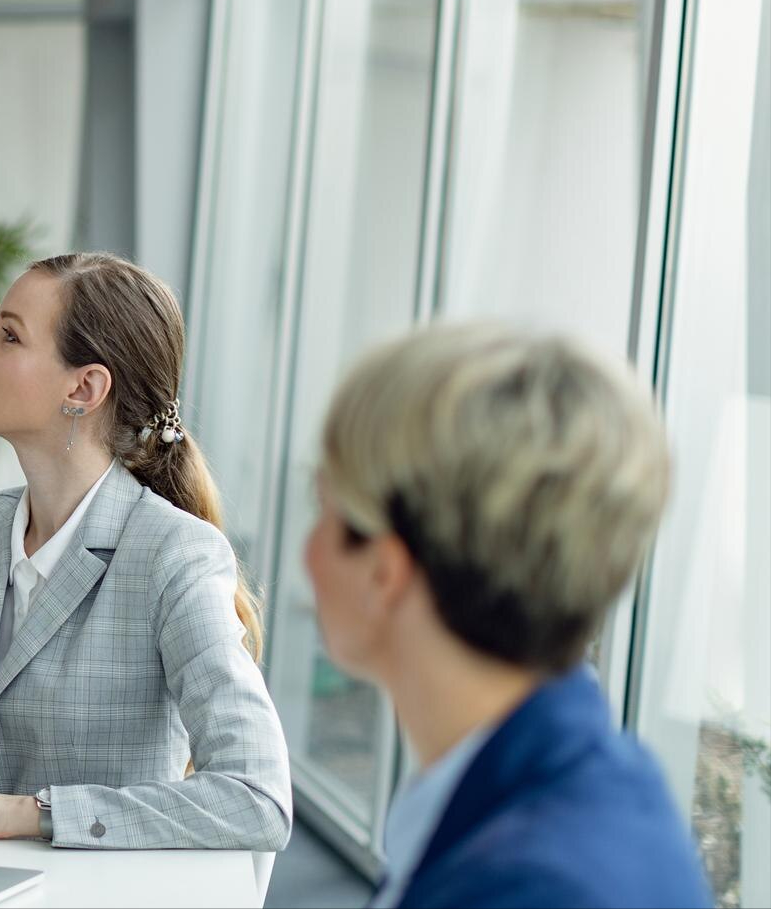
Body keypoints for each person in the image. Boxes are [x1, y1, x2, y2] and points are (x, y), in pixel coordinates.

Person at [305, 323, 711, 907]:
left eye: (322, 509)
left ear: (384, 572)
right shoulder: (595, 792)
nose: (307, 552)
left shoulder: (525, 887)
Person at [0, 253, 292, 851]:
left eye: (9, 335)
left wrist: (26, 813)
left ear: (83, 388)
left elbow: (257, 799)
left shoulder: (174, 555)